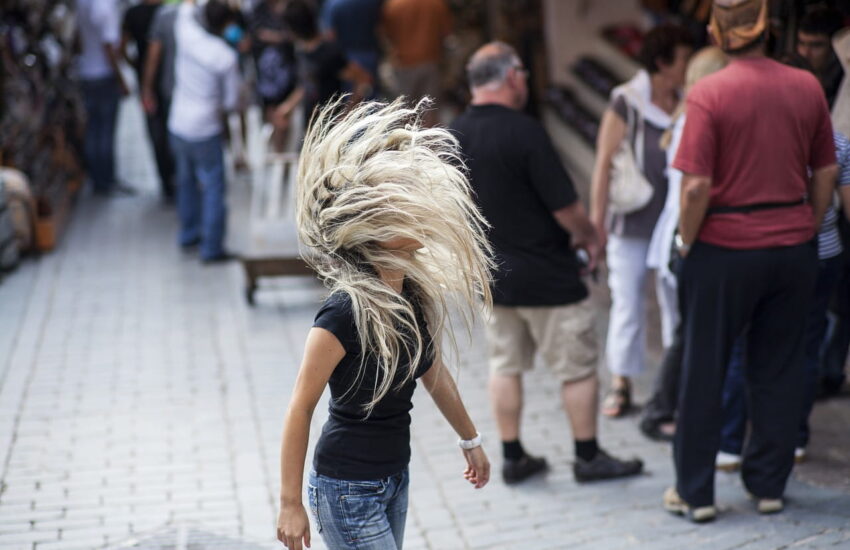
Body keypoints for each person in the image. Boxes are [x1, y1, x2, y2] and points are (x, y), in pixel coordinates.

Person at [275, 98, 493, 550]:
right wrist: (289, 503)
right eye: (399, 210)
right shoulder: (343, 313)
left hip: (394, 479)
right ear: (373, 232)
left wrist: (469, 438)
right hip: (346, 490)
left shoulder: (409, 295)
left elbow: (432, 372)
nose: (416, 211)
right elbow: (300, 406)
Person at [663, 0, 837, 523]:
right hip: (790, 245)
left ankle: (696, 494)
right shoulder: (806, 86)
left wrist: (685, 245)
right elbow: (826, 171)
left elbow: (694, 188)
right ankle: (768, 487)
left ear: (718, 32)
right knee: (778, 370)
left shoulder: (709, 91)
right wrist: (807, 225)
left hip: (723, 246)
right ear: (768, 30)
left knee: (704, 369)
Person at [450, 42, 643, 485]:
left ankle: (513, 456)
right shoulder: (526, 132)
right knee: (575, 366)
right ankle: (588, 456)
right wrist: (590, 236)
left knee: (505, 365)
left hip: (492, 277)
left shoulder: (454, 133)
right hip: (549, 275)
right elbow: (566, 209)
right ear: (513, 75)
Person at [715, 54, 850, 472]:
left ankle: (731, 444)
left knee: (743, 347)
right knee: (803, 351)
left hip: (760, 253)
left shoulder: (758, 138)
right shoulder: (838, 142)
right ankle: (793, 439)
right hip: (819, 257)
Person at [590, 24, 693, 418]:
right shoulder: (626, 101)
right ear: (663, 62)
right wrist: (597, 225)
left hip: (673, 223)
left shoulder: (688, 98)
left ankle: (674, 384)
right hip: (631, 223)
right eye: (683, 59)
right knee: (628, 304)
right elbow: (602, 165)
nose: (688, 66)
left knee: (675, 306)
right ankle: (621, 384)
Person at [639, 46, 729, 443]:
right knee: (688, 334)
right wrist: (688, 242)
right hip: (685, 234)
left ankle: (667, 409)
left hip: (678, 234)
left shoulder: (688, 115)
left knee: (688, 332)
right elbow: (695, 189)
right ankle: (662, 411)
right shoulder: (698, 117)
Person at [168, 0, 241, 263]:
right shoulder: (225, 57)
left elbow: (187, 6)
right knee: (212, 187)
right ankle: (211, 248)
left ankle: (189, 235)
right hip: (206, 127)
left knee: (186, 181)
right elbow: (231, 103)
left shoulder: (187, 32)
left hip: (178, 122)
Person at [271, 0, 373, 135]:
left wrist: (347, 113)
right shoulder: (302, 51)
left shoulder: (329, 53)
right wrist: (288, 107)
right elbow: (306, 84)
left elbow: (363, 79)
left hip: (330, 130)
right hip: (310, 128)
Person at [122, 0, 175, 200]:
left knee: (156, 132)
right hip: (168, 82)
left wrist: (136, 67)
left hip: (149, 83)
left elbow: (123, 47)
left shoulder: (133, 14)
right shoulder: (168, 13)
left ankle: (167, 180)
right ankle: (174, 177)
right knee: (170, 130)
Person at [75, 0, 128, 196]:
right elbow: (108, 46)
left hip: (87, 71)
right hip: (103, 75)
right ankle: (106, 180)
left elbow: (78, 39)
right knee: (105, 131)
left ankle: (97, 178)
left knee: (94, 129)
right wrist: (121, 79)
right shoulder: (104, 6)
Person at [381, 0, 452, 127]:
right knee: (430, 110)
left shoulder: (394, 5)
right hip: (430, 61)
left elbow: (387, 33)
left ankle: (406, 144)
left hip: (403, 63)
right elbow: (446, 31)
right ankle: (430, 145)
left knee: (405, 111)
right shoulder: (436, 4)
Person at [248, 0, 297, 151]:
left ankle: (280, 147)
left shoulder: (289, 7)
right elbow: (255, 34)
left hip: (286, 70)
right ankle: (278, 147)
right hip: (267, 72)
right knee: (272, 111)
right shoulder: (260, 9)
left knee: (283, 114)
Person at [321, 0, 383, 91]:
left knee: (353, 98)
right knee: (371, 95)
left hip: (348, 60)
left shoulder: (333, 4)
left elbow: (330, 36)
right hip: (371, 55)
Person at [797, 6, 845, 108]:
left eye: (816, 45)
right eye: (802, 43)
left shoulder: (843, 87)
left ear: (834, 48)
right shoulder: (793, 75)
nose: (805, 53)